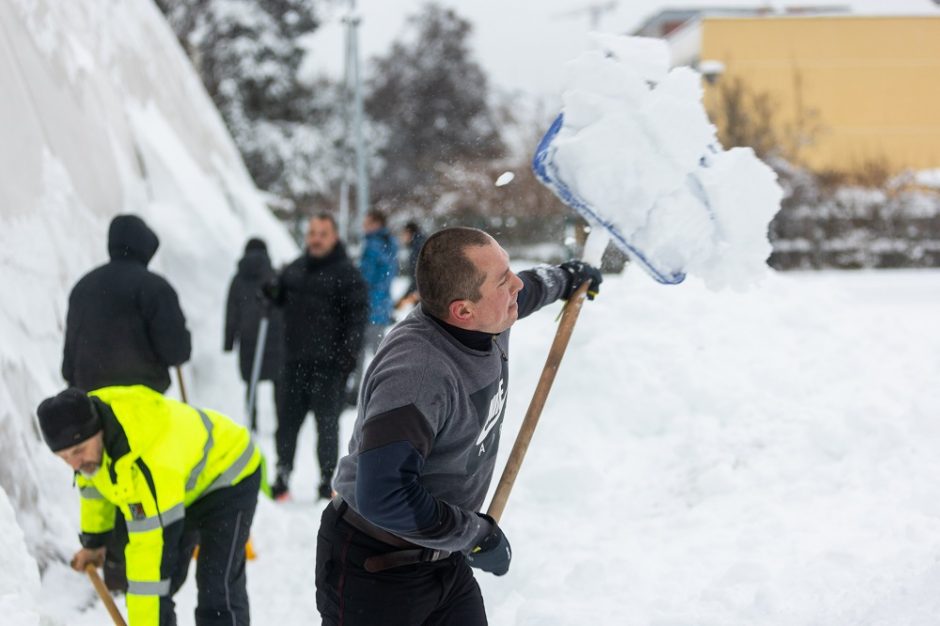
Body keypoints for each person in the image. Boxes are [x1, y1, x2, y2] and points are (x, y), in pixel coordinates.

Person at [315, 227, 602, 625]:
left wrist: (568, 278)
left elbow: (527, 289)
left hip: (442, 557)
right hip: (376, 567)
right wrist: (476, 535)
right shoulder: (417, 375)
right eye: (503, 281)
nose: (515, 283)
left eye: (509, 271)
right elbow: (385, 494)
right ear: (462, 310)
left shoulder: (488, 317)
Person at [37, 385, 261, 626]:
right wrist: (94, 543)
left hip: (229, 474)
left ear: (98, 431)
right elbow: (94, 487)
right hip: (182, 484)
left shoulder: (143, 462)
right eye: (64, 457)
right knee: (164, 583)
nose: (74, 464)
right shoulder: (91, 439)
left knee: (216, 584)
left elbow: (148, 558)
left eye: (78, 451)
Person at [61, 213, 191, 592]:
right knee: (140, 487)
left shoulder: (83, 287)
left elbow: (68, 358)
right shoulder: (154, 287)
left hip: (91, 407)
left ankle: (113, 567)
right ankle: (137, 571)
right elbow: (176, 349)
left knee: (103, 479)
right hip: (140, 409)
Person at [265, 213, 368, 501]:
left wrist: (346, 358)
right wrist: (271, 289)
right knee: (286, 424)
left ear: (334, 237)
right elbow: (278, 296)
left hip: (329, 365)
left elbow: (357, 320)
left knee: (327, 426)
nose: (316, 239)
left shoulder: (348, 275)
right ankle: (282, 475)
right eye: (312, 233)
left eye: (322, 233)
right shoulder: (295, 269)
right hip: (294, 361)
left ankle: (326, 481)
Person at [224, 238, 285, 431]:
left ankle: (252, 420)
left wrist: (229, 341)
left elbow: (231, 310)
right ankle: (281, 421)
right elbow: (283, 307)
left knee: (251, 381)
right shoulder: (274, 275)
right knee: (278, 382)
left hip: (248, 337)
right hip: (274, 337)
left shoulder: (238, 279)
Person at [348, 210, 398, 405]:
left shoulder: (371, 245)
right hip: (383, 305)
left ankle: (355, 394)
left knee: (360, 351)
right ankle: (392, 388)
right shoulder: (391, 244)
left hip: (368, 306)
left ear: (377, 223)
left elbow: (364, 279)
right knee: (381, 352)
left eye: (367, 222)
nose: (364, 226)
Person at [394, 220, 425, 310]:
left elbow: (418, 276)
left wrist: (405, 297)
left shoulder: (417, 248)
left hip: (422, 293)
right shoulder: (421, 244)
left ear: (409, 232)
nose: (403, 237)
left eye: (404, 234)